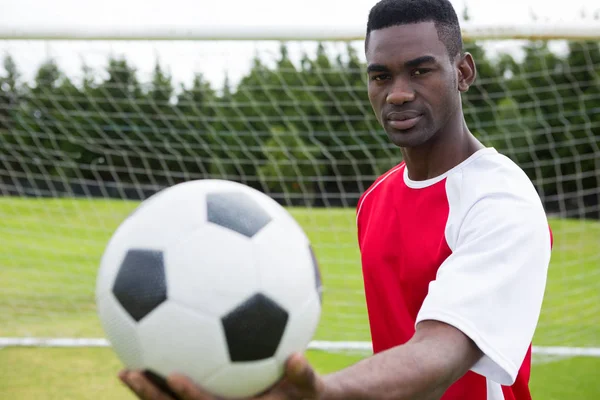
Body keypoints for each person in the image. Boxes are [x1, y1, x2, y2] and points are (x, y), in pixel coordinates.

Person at [119, 0, 553, 399]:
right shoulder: (375, 200)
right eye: (381, 75)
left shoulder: (501, 200)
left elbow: (444, 349)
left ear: (463, 72)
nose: (397, 93)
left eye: (420, 71)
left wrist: (326, 393)